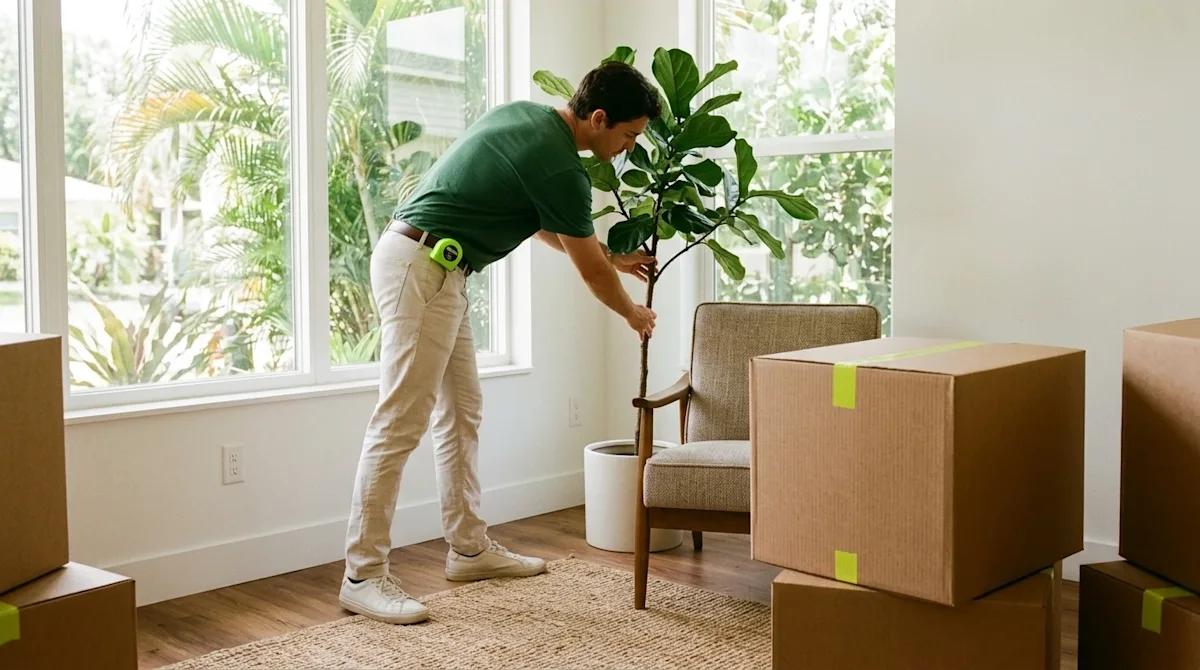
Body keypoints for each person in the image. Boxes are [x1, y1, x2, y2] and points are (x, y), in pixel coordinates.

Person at [340, 61, 662, 625]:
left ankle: (469, 549)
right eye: (629, 135)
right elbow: (588, 272)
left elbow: (548, 225)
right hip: (423, 266)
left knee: (462, 412)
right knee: (399, 422)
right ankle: (362, 575)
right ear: (600, 117)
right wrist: (633, 313)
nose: (628, 149)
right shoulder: (561, 165)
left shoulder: (529, 120)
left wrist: (611, 259)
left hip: (439, 267)